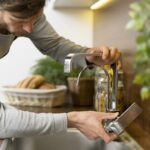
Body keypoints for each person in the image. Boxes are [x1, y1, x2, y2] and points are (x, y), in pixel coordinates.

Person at [0, 0, 121, 144]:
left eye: (35, 18)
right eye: (19, 20)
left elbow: (54, 45)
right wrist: (72, 120)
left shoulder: (26, 11)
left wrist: (87, 55)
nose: (29, 28)